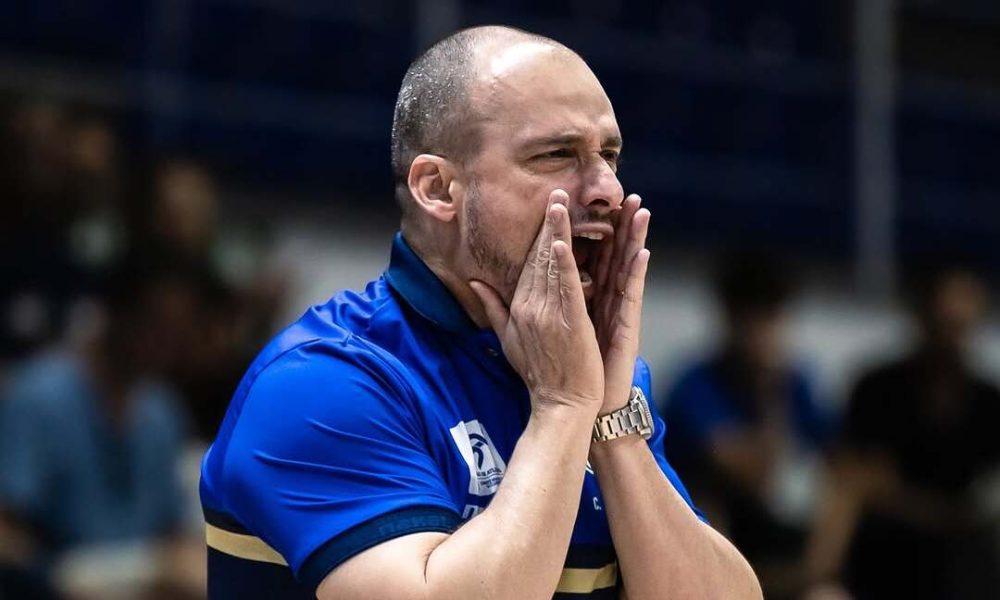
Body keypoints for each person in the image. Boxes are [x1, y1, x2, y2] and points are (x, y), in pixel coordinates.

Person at [200, 26, 761, 599]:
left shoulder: (589, 373)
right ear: (439, 188)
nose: (607, 191)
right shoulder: (323, 381)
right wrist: (564, 408)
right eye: (557, 154)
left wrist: (612, 424)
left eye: (610, 155)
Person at [804, 266, 1000, 600]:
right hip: (880, 559)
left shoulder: (989, 403)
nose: (951, 335)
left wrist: (908, 499)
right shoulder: (877, 389)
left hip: (962, 563)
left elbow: (981, 506)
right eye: (943, 322)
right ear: (921, 316)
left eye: (960, 325)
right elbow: (855, 483)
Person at [662, 252, 834, 598]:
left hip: (784, 539)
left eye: (773, 317)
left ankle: (808, 576)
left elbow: (841, 461)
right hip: (713, 536)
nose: (763, 332)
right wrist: (769, 394)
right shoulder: (695, 385)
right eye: (753, 318)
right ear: (730, 316)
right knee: (703, 487)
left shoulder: (797, 382)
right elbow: (752, 473)